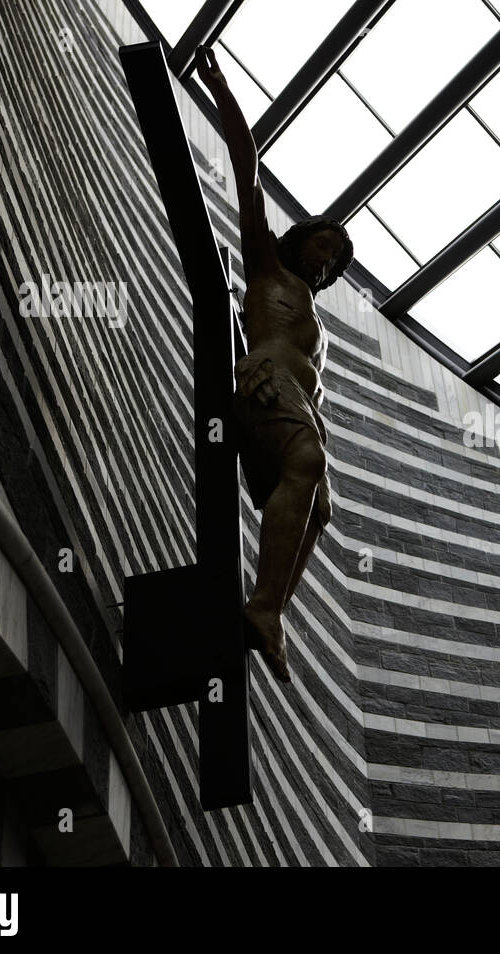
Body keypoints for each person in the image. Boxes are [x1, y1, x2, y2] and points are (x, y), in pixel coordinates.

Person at [196, 46, 353, 683]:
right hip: (265, 383)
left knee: (321, 507)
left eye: (339, 260)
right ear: (301, 239)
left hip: (296, 402)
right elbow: (247, 168)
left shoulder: (313, 315)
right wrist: (224, 91)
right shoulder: (268, 268)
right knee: (308, 465)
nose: (332, 260)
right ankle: (264, 606)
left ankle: (270, 612)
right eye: (327, 243)